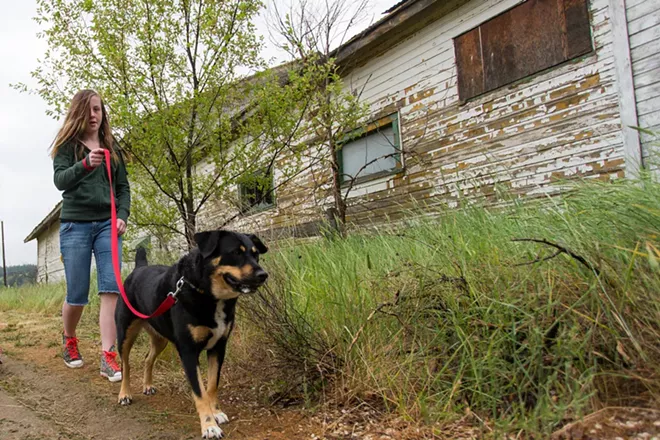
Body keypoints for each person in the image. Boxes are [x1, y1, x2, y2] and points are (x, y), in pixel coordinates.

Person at [51, 89, 130, 382]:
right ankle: (69, 338)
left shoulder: (112, 147)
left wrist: (122, 216)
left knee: (111, 289)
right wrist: (85, 164)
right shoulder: (67, 146)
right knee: (78, 294)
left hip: (108, 225)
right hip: (76, 225)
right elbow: (60, 181)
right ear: (78, 114)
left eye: (98, 109)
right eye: (88, 111)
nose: (94, 115)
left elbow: (123, 188)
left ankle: (108, 356)